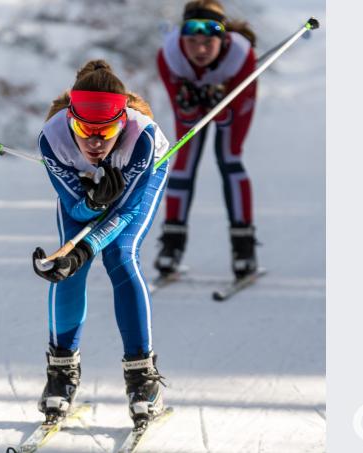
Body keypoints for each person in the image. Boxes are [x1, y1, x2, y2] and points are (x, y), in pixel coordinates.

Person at [31, 60, 170, 425]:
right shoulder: (53, 139)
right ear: (70, 119)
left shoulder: (142, 140)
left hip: (139, 184)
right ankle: (61, 372)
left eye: (106, 130)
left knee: (120, 256)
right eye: (83, 128)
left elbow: (124, 213)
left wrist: (86, 246)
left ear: (122, 122)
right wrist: (91, 201)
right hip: (85, 190)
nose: (94, 142)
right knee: (68, 272)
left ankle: (142, 376)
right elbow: (75, 207)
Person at [155, 0, 260, 279]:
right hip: (195, 104)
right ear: (181, 38)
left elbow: (231, 118)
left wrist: (221, 104)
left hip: (233, 101)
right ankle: (172, 245)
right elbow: (185, 117)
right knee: (184, 160)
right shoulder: (169, 56)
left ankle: (244, 247)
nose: (200, 50)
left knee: (230, 157)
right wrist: (189, 103)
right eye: (192, 42)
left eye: (208, 43)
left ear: (222, 39)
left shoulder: (241, 56)